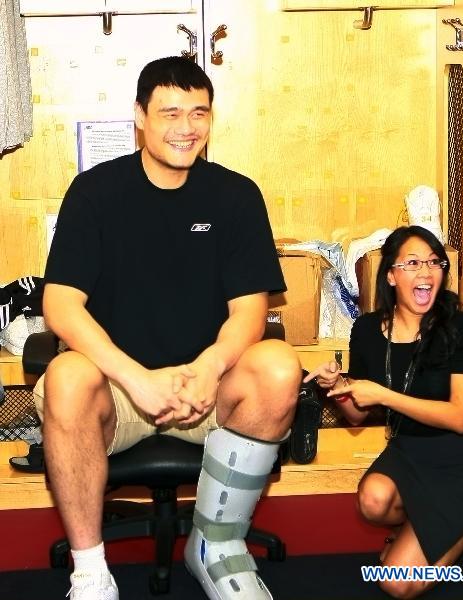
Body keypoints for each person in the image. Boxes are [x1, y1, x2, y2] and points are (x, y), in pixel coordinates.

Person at [34, 56, 301, 600]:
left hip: (208, 389)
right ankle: (89, 572)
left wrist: (207, 368)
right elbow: (60, 306)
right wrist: (137, 380)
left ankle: (218, 546)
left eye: (198, 113)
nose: (186, 128)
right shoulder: (94, 192)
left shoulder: (235, 195)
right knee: (65, 375)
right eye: (170, 112)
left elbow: (249, 312)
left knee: (279, 364)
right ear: (140, 115)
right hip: (120, 391)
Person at [305, 225, 463, 598]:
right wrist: (336, 390)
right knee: (372, 501)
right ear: (391, 275)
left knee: (397, 582)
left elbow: (459, 416)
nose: (426, 272)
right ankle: (458, 525)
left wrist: (384, 395)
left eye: (434, 262)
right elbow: (357, 417)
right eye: (412, 263)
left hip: (458, 462)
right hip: (406, 453)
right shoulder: (366, 331)